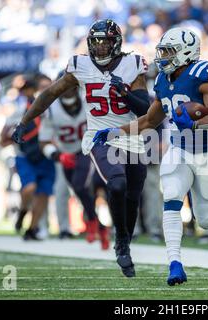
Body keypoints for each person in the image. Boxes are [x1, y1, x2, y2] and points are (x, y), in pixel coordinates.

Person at [11, 19, 150, 277]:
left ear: (116, 42)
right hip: (101, 137)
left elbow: (145, 108)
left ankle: (125, 239)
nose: (99, 47)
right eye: (95, 42)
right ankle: (120, 241)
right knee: (116, 184)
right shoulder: (80, 65)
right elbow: (50, 93)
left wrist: (125, 93)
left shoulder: (133, 64)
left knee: (133, 195)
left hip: (131, 136)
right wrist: (25, 121)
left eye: (105, 41)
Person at [93, 27, 208, 285]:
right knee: (171, 197)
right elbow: (149, 120)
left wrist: (196, 124)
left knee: (207, 221)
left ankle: (198, 201)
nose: (163, 56)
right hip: (178, 149)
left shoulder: (204, 73)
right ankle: (175, 264)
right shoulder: (163, 80)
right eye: (163, 50)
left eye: (169, 51)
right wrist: (114, 132)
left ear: (186, 53)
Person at [38, 81, 110, 249]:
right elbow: (43, 142)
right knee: (80, 191)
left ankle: (92, 222)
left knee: (79, 186)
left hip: (87, 150)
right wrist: (57, 155)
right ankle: (100, 227)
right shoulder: (51, 110)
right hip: (65, 154)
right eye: (63, 86)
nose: (66, 89)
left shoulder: (89, 102)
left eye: (69, 86)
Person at [1, 79, 56, 240]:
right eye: (40, 88)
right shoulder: (17, 112)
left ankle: (32, 229)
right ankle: (23, 212)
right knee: (29, 188)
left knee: (44, 194)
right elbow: (3, 139)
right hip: (25, 156)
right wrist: (14, 137)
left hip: (45, 155)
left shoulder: (51, 110)